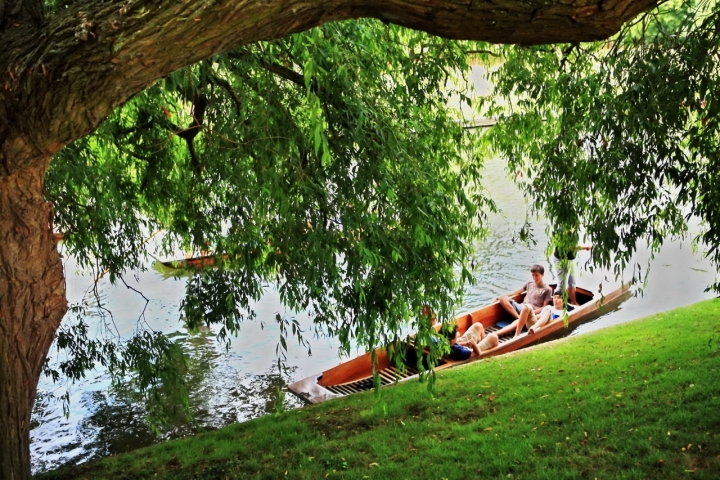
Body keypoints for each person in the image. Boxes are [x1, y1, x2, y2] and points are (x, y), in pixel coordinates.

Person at [495, 288, 574, 338]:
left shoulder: (565, 313)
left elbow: (558, 323)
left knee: (548, 312)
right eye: (555, 298)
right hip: (535, 323)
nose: (555, 300)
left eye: (559, 298)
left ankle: (533, 328)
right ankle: (499, 334)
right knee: (527, 307)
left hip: (543, 327)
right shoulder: (548, 307)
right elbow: (539, 316)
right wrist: (526, 318)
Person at [552, 228, 591, 305]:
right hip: (562, 260)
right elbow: (569, 247)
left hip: (570, 260)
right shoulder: (562, 232)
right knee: (562, 285)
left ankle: (573, 302)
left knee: (572, 282)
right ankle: (556, 306)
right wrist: (585, 247)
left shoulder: (574, 233)